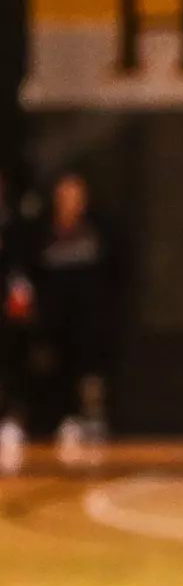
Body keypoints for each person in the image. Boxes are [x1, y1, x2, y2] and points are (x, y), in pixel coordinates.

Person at [35, 171, 122, 463]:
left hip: (90, 320)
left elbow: (117, 271)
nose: (70, 201)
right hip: (56, 321)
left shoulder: (98, 231)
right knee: (55, 368)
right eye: (64, 195)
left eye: (75, 195)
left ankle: (93, 417)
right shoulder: (43, 233)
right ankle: (62, 418)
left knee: (92, 372)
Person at [0, 168, 39, 475]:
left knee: (11, 362)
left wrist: (20, 297)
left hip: (8, 315)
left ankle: (11, 419)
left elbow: (21, 271)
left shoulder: (16, 227)